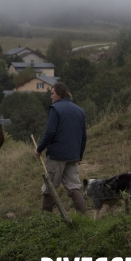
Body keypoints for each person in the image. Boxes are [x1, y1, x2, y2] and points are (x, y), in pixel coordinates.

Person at [35, 82, 87, 214]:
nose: (51, 97)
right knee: (74, 187)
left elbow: (50, 132)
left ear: (59, 94)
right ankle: (84, 218)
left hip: (56, 156)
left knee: (49, 188)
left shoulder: (55, 109)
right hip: (73, 156)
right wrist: (79, 156)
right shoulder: (80, 111)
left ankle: (46, 222)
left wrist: (39, 149)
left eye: (52, 93)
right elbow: (83, 136)